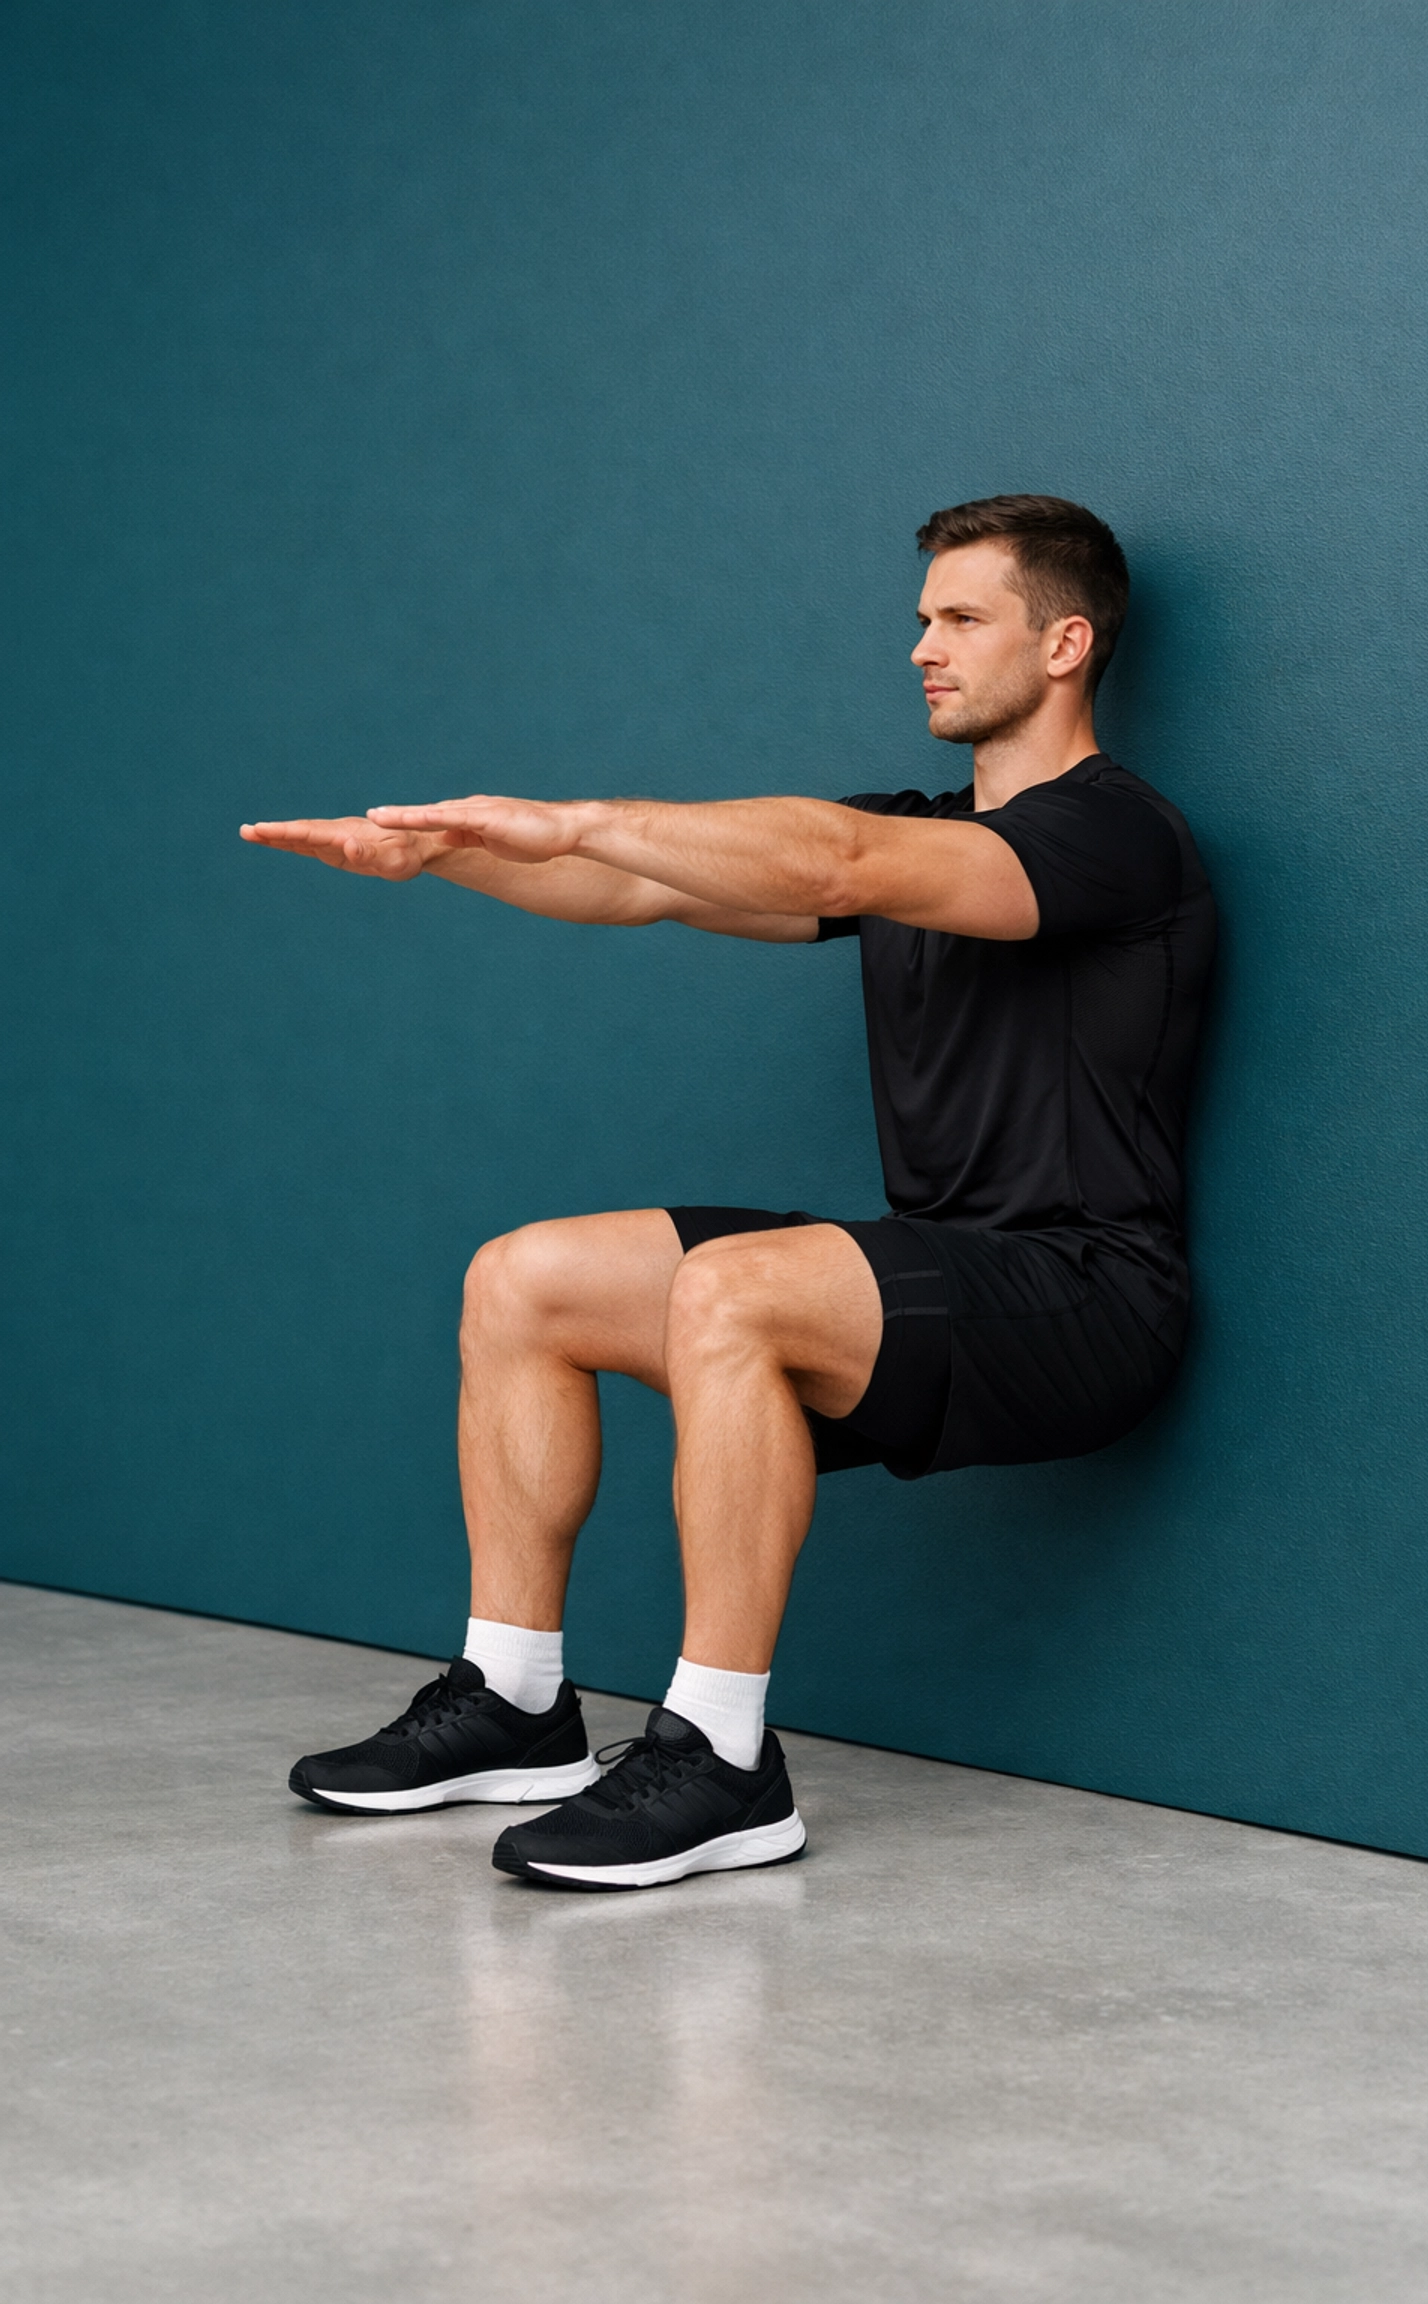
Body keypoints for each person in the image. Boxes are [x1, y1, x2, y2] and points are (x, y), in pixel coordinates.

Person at [240, 493, 1215, 1892]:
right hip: (937, 1271)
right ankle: (515, 1702)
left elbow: (840, 861)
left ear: (1066, 643)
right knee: (526, 1278)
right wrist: (444, 854)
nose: (922, 648)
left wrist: (579, 811)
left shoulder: (1117, 839)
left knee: (733, 1291)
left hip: (1090, 1301)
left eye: (959, 618)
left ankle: (723, 1759)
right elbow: (644, 890)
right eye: (920, 619)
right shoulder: (911, 835)